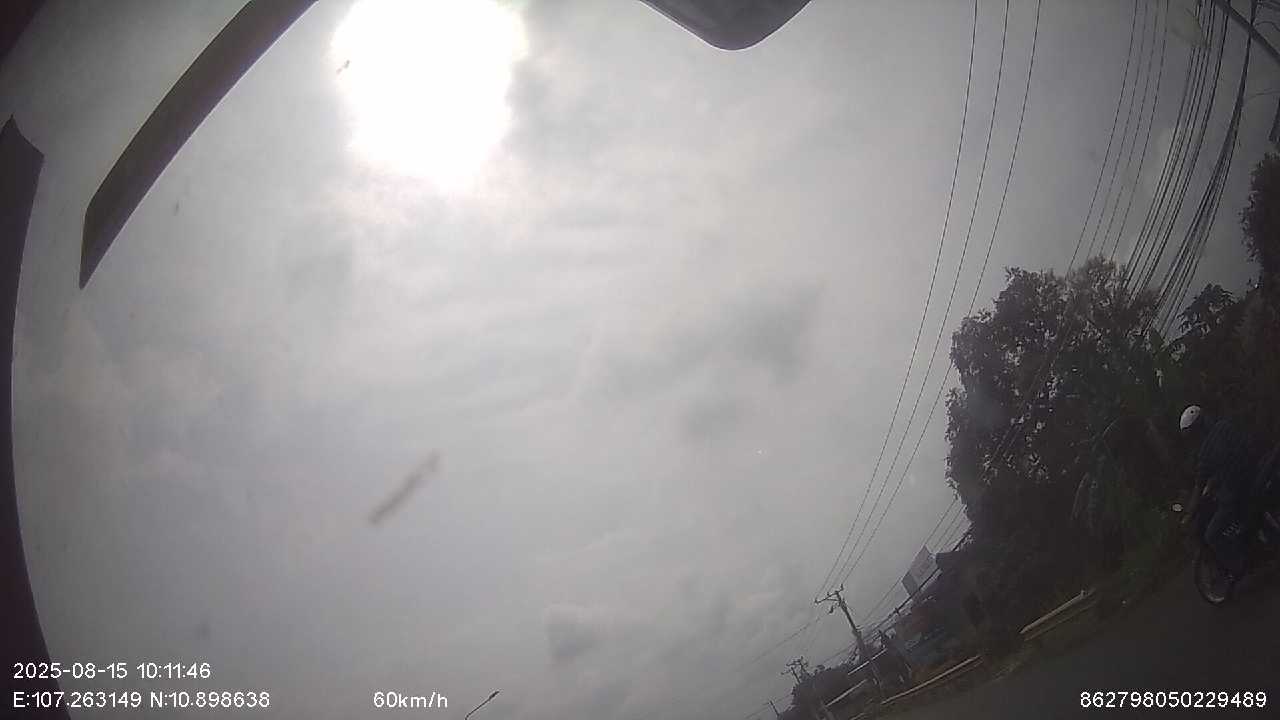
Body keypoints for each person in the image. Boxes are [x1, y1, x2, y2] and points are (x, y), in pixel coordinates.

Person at [1179, 405, 1259, 577]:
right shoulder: (1224, 426)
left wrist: (1189, 515)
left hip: (1236, 492)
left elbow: (1199, 485)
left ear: (1195, 432)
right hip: (1255, 472)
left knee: (1212, 534)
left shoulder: (1205, 452)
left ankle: (1241, 567)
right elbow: (1231, 458)